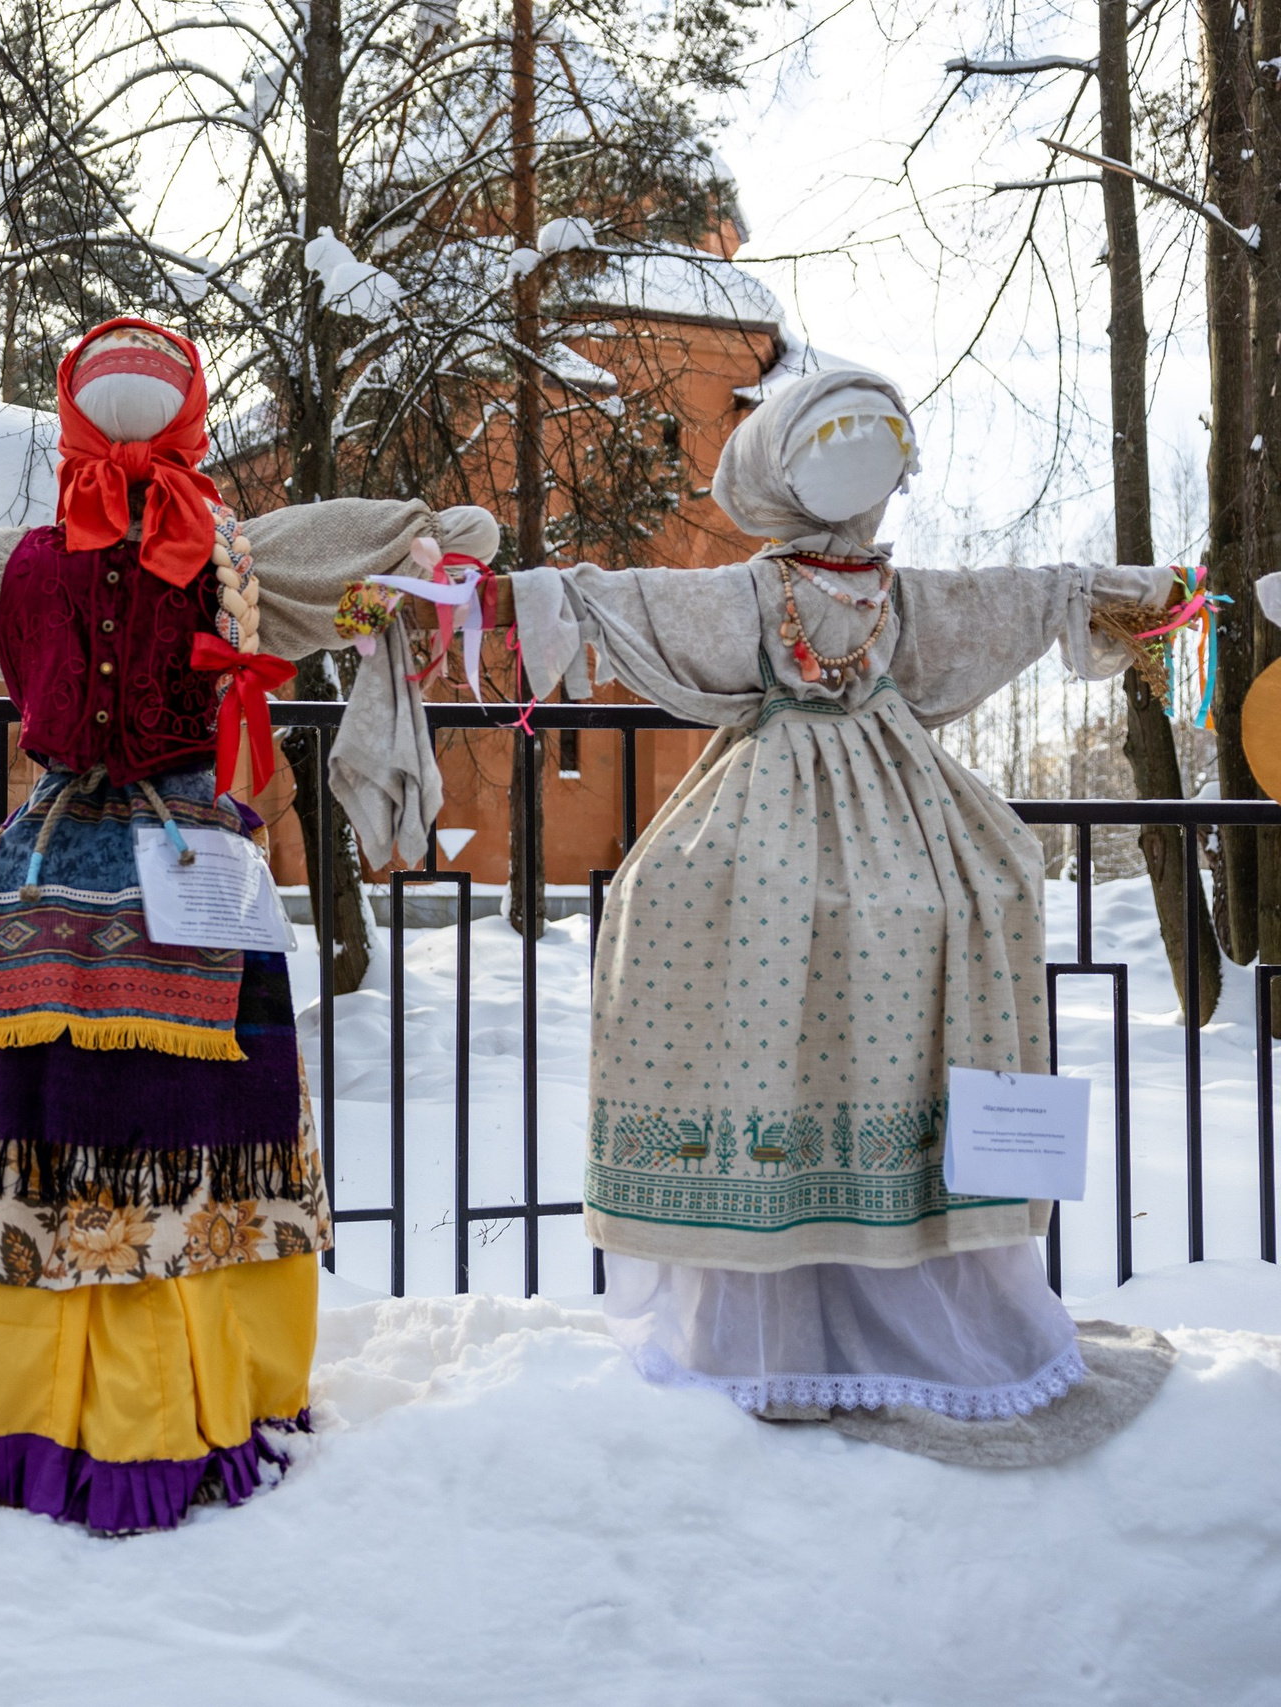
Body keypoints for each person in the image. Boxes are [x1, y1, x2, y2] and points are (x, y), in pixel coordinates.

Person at [0, 315, 494, 1530]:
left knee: (133, 1131)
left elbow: (326, 557)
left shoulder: (171, 562)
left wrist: (420, 540)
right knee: (128, 1130)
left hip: (119, 875)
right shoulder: (103, 566)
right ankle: (125, 1397)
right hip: (119, 871)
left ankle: (103, 1394)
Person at [489, 365, 1176, 1422]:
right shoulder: (757, 595)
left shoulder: (898, 596)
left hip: (900, 816)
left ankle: (885, 1287)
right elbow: (647, 605)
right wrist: (535, 599)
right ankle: (782, 1298)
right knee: (714, 914)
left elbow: (1012, 598)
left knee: (924, 929)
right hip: (784, 812)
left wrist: (1098, 594)